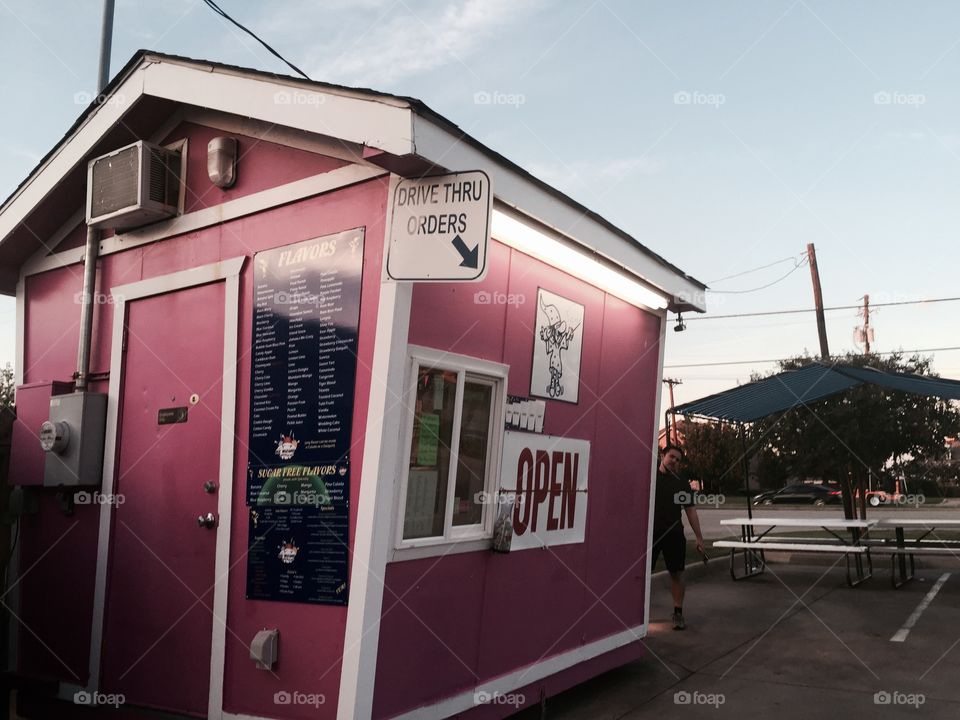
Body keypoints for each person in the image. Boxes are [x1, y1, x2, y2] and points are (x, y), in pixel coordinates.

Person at [650, 444, 705, 630]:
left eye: (678, 460)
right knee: (641, 575)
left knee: (677, 574)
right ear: (663, 455)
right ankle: (636, 615)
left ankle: (678, 613)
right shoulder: (650, 476)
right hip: (651, 535)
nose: (674, 461)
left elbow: (690, 511)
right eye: (672, 457)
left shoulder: (681, 482)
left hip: (674, 534)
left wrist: (699, 538)